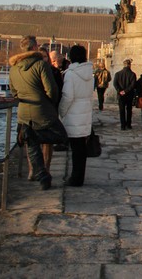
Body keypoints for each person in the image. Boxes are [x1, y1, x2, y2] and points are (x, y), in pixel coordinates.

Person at [9, 35, 66, 190]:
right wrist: (48, 102)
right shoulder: (41, 65)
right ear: (34, 47)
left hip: (23, 112)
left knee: (32, 146)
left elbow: (13, 92)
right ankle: (33, 140)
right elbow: (52, 90)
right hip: (43, 110)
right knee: (61, 136)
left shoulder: (14, 68)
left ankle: (43, 177)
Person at [58, 45, 93, 187]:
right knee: (81, 149)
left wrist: (61, 111)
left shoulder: (71, 74)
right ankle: (79, 177)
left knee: (75, 149)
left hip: (73, 114)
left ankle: (75, 178)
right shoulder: (89, 73)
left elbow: (67, 96)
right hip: (85, 113)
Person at [113, 58, 137, 130]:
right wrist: (126, 91)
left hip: (121, 95)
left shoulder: (118, 74)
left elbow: (115, 84)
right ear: (129, 65)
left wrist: (120, 91)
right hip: (129, 94)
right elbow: (132, 85)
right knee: (129, 110)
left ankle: (122, 125)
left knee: (122, 110)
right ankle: (128, 124)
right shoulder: (132, 74)